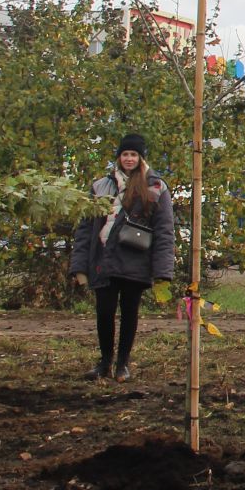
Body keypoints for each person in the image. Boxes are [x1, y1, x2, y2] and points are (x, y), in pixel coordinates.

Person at [70, 133, 175, 382]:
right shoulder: (100, 186)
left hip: (135, 260)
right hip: (104, 259)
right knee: (104, 312)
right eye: (125, 154)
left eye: (133, 154)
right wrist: (79, 266)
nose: (129, 159)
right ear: (119, 157)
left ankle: (122, 364)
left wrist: (163, 272)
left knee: (130, 313)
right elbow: (85, 230)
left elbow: (165, 230)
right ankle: (105, 361)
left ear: (141, 158)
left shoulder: (155, 186)